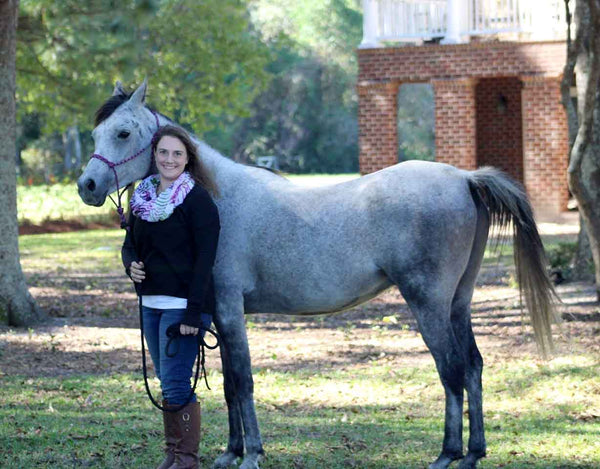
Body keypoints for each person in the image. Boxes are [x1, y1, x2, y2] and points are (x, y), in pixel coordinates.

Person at [121, 125, 220, 469]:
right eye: (163, 152)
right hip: (151, 306)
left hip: (184, 309)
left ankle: (187, 460)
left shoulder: (197, 200)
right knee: (168, 383)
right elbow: (130, 245)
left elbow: (206, 261)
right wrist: (130, 265)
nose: (169, 159)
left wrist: (194, 315)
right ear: (154, 155)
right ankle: (173, 454)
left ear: (188, 158)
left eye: (177, 153)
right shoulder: (142, 198)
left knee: (177, 384)